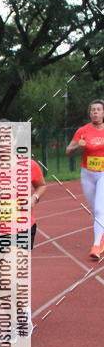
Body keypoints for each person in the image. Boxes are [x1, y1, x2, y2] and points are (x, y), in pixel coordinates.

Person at [0, 120, 46, 335]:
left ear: (15, 140)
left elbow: (42, 186)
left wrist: (34, 198)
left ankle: (21, 317)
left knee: (14, 276)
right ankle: (17, 313)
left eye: (8, 137)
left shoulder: (29, 165)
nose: (3, 141)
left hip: (22, 227)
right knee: (4, 282)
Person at [65, 99, 104, 260]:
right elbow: (68, 151)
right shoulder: (82, 130)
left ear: (103, 113)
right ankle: (101, 238)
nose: (95, 112)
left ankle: (96, 245)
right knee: (95, 210)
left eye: (98, 109)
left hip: (103, 173)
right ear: (89, 113)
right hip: (87, 173)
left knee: (100, 208)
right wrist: (77, 147)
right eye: (92, 110)